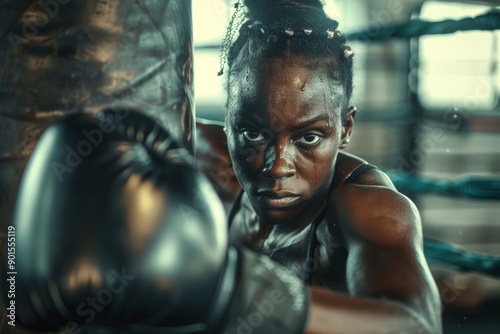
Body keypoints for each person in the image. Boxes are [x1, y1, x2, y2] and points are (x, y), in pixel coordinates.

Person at [217, 0, 442, 332]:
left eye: (308, 137)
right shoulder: (210, 159)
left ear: (345, 128)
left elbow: (417, 325)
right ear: (228, 121)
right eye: (252, 133)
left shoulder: (368, 208)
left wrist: (233, 292)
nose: (278, 167)